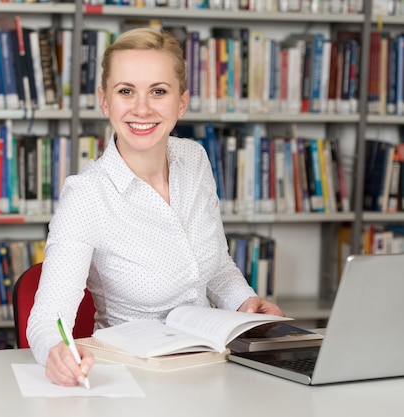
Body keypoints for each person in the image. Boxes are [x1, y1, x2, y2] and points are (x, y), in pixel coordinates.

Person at [26, 27, 283, 387]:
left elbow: (216, 264)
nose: (142, 108)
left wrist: (246, 301)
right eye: (126, 91)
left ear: (181, 101)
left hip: (217, 368)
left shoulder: (194, 159)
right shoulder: (86, 196)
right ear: (105, 100)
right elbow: (46, 318)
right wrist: (57, 351)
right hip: (135, 378)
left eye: (158, 91)